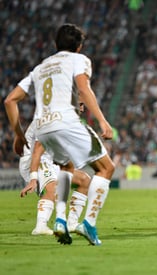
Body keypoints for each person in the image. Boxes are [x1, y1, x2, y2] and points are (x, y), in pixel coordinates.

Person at [4, 23, 115, 246]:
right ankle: (89, 224)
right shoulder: (78, 59)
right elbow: (83, 88)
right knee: (106, 168)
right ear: (79, 46)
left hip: (44, 127)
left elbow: (10, 100)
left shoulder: (40, 67)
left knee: (65, 167)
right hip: (66, 121)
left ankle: (61, 221)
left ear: (56, 44)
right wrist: (103, 120)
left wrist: (18, 134)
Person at [18, 121, 91, 235]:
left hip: (51, 161)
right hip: (35, 160)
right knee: (53, 188)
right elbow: (37, 152)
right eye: (80, 104)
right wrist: (33, 179)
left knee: (84, 180)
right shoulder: (50, 119)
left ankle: (72, 223)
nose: (82, 108)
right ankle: (40, 226)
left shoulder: (66, 119)